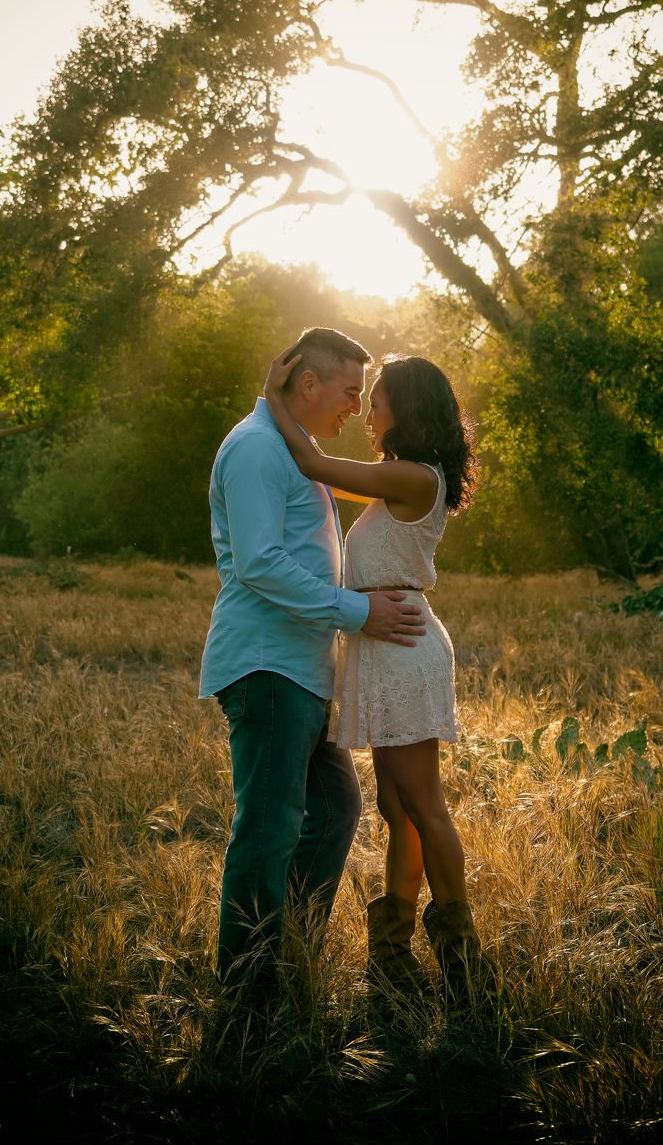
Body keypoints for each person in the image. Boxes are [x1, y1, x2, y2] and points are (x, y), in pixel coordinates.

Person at [199, 327, 426, 996]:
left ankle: (292, 955)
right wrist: (361, 612)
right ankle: (248, 997)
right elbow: (260, 562)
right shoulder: (255, 450)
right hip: (268, 668)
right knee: (267, 833)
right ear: (309, 384)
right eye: (351, 391)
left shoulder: (289, 446)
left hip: (299, 669)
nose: (356, 407)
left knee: (333, 807)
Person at [264, 348, 488, 1005]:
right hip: (383, 642)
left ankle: (464, 969)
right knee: (397, 807)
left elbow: (315, 466)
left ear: (408, 409)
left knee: (423, 804)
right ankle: (392, 958)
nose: (368, 409)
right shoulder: (403, 472)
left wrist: (273, 398)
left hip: (403, 644)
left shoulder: (415, 476)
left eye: (379, 399)